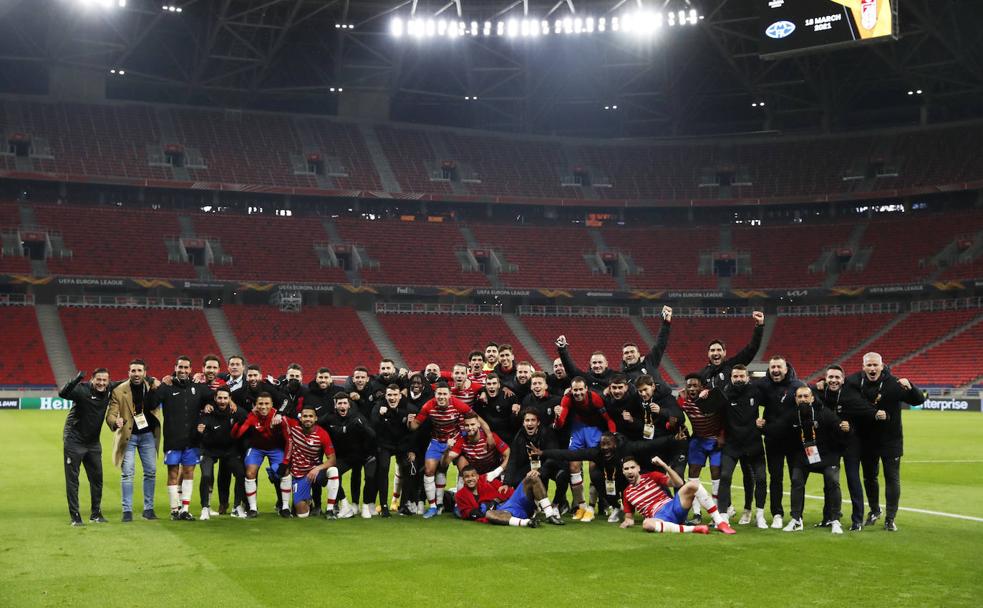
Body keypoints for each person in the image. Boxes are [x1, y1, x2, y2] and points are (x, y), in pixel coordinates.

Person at [847, 352, 925, 531]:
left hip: (891, 440)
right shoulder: (853, 381)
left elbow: (919, 400)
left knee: (892, 478)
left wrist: (911, 387)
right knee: (869, 477)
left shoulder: (894, 383)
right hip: (867, 440)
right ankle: (874, 510)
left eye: (876, 365)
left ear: (882, 366)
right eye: (869, 365)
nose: (872, 368)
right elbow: (840, 394)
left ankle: (890, 518)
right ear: (863, 366)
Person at [409, 382, 494, 518]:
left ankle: (459, 505)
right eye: (439, 394)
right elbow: (415, 426)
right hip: (437, 441)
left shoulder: (458, 404)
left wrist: (489, 434)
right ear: (435, 394)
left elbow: (476, 418)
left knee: (463, 470)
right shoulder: (428, 406)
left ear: (450, 395)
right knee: (429, 470)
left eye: (444, 394)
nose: (441, 397)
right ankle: (434, 506)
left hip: (456, 440)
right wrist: (410, 421)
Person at [776, 387, 851, 534]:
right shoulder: (792, 415)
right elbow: (778, 429)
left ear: (812, 398)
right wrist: (762, 427)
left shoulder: (824, 413)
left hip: (827, 455)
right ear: (795, 399)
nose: (803, 399)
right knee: (796, 481)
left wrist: (846, 429)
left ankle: (835, 520)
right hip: (804, 456)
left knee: (832, 481)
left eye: (806, 396)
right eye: (799, 397)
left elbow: (840, 428)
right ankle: (796, 519)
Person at [813, 365, 878, 530]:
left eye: (837, 377)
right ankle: (828, 517)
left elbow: (868, 412)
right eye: (830, 377)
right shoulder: (820, 393)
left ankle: (857, 520)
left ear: (843, 380)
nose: (834, 380)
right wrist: (819, 382)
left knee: (853, 480)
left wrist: (852, 427)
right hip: (831, 445)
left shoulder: (851, 396)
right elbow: (805, 392)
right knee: (829, 481)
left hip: (851, 443)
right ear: (826, 379)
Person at [706, 365, 768, 528]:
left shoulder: (756, 391)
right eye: (736, 376)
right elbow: (710, 410)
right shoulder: (725, 393)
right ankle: (723, 516)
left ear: (748, 377)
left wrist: (764, 422)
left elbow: (773, 404)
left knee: (759, 478)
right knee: (725, 476)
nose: (739, 379)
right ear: (731, 378)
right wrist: (704, 395)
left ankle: (756, 514)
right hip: (732, 445)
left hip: (753, 444)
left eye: (742, 376)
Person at [60, 368, 119, 526]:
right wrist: (75, 380)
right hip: (74, 441)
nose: (101, 383)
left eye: (104, 380)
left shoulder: (110, 388)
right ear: (92, 379)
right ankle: (75, 516)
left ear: (108, 381)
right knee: (73, 481)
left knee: (97, 479)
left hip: (93, 444)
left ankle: (96, 514)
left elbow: (129, 382)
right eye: (98, 379)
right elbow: (63, 393)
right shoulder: (81, 389)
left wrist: (150, 380)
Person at [553, 377, 617, 522]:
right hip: (577, 431)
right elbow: (560, 423)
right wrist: (557, 416)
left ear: (586, 389)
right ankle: (581, 506)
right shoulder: (567, 398)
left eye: (581, 389)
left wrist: (613, 436)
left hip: (594, 431)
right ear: (571, 390)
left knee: (594, 469)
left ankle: (591, 508)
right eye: (575, 390)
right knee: (573, 466)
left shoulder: (595, 398)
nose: (578, 393)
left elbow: (608, 419)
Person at [158, 356, 214, 520]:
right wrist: (160, 383)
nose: (183, 370)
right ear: (175, 368)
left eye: (186, 368)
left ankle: (185, 509)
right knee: (173, 474)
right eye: (180, 367)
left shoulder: (197, 387)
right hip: (173, 439)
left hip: (192, 440)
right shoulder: (167, 387)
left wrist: (208, 404)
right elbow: (152, 402)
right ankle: (174, 510)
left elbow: (214, 397)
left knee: (189, 472)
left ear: (190, 369)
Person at [620, 456, 735, 535]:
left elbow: (679, 483)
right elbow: (629, 518)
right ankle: (694, 529)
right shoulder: (627, 493)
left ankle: (720, 522)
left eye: (632, 467)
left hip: (673, 505)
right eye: (626, 469)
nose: (630, 471)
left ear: (638, 468)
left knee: (693, 484)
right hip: (660, 517)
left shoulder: (652, 476)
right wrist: (627, 521)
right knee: (647, 524)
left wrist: (664, 465)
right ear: (623, 471)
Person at [107, 359, 162, 522]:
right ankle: (127, 511)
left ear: (145, 373)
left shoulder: (152, 387)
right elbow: (111, 413)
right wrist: (114, 421)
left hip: (148, 436)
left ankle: (148, 509)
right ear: (128, 372)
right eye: (133, 371)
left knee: (150, 472)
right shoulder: (119, 390)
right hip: (127, 436)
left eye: (139, 371)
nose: (136, 374)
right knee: (127, 474)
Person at [756, 355, 805, 529]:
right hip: (773, 440)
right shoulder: (763, 385)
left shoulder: (797, 385)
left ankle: (797, 515)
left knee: (796, 479)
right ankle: (777, 514)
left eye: (779, 367)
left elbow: (811, 402)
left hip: (794, 441)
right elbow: (748, 401)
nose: (775, 370)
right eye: (773, 367)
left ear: (786, 368)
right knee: (775, 478)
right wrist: (758, 422)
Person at [321, 392, 378, 519]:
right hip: (346, 457)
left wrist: (363, 427)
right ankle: (345, 505)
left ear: (349, 405)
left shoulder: (357, 417)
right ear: (335, 405)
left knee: (370, 478)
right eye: (339, 403)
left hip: (365, 455)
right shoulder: (329, 418)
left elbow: (372, 435)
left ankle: (365, 506)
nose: (342, 406)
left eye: (344, 403)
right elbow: (316, 425)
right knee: (329, 474)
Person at [676, 373, 724, 523]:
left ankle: (716, 513)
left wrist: (722, 435)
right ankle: (696, 514)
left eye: (695, 385)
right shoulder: (684, 401)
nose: (692, 388)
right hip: (698, 441)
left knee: (716, 474)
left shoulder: (710, 397)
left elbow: (724, 415)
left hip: (715, 441)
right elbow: (676, 416)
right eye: (689, 386)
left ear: (702, 387)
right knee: (693, 475)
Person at [196, 387, 247, 520]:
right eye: (220, 398)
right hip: (209, 450)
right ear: (215, 398)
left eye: (225, 398)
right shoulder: (208, 412)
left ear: (230, 399)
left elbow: (247, 419)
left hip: (229, 451)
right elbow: (200, 428)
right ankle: (205, 508)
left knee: (241, 474)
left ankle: (237, 507)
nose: (222, 401)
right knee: (206, 476)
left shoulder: (236, 412)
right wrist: (200, 431)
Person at [281, 405, 340, 518]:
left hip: (315, 471)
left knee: (333, 470)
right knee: (302, 514)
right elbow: (279, 416)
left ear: (316, 418)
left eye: (310, 416)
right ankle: (308, 500)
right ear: (300, 418)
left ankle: (329, 510)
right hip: (299, 474)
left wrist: (317, 468)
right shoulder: (293, 427)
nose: (308, 419)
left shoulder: (322, 434)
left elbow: (332, 460)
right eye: (305, 416)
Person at [231, 392, 285, 517]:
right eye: (260, 404)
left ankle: (284, 506)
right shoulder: (251, 416)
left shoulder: (278, 416)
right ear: (255, 405)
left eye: (267, 403)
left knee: (282, 472)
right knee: (250, 472)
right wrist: (239, 423)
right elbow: (237, 435)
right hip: (257, 449)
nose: (263, 406)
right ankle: (253, 508)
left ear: (272, 404)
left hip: (275, 449)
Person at [455, 467, 563, 527]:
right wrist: (486, 508)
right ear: (463, 479)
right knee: (489, 514)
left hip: (512, 503)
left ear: (478, 476)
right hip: (503, 513)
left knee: (532, 477)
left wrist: (496, 500)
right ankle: (528, 523)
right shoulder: (460, 495)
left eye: (473, 475)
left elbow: (508, 492)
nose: (470, 479)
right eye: (466, 477)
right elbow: (468, 513)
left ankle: (550, 515)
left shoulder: (488, 481)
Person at [371, 384, 417, 517]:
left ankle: (403, 505)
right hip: (385, 444)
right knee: (383, 468)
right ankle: (384, 506)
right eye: (389, 395)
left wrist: (411, 450)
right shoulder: (379, 407)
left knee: (409, 467)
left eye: (395, 395)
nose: (392, 398)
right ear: (385, 396)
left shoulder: (409, 408)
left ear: (400, 396)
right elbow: (373, 426)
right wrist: (380, 416)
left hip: (402, 445)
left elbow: (414, 432)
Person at [697, 311, 765, 389]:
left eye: (719, 350)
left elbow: (751, 349)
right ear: (708, 353)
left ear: (724, 352)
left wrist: (759, 326)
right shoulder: (702, 374)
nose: (715, 353)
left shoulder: (732, 366)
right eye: (712, 350)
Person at [447, 411, 511, 478]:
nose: (470, 428)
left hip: (493, 471)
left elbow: (508, 454)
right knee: (461, 459)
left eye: (472, 424)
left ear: (479, 425)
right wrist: (447, 449)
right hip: (475, 475)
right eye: (467, 425)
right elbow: (445, 463)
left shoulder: (491, 438)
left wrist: (496, 472)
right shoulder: (461, 440)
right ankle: (465, 481)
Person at [621, 305, 672, 384]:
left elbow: (661, 343)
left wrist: (666, 323)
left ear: (638, 354)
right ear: (623, 357)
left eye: (632, 352)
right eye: (626, 353)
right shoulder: (623, 377)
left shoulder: (649, 361)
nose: (629, 355)